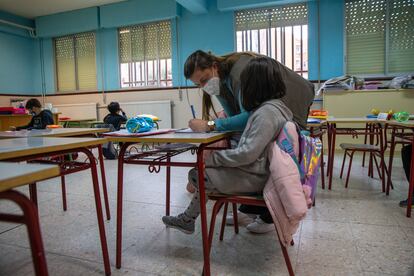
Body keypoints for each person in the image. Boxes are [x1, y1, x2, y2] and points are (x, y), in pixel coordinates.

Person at [183, 50, 315, 233]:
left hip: (259, 171)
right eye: (199, 84)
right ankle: (250, 208)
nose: (203, 86)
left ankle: (268, 214)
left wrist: (211, 131)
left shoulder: (246, 78)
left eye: (204, 80)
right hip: (257, 164)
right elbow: (236, 117)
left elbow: (248, 129)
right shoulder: (224, 80)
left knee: (202, 174)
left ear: (214, 67)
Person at [162, 56, 293, 234]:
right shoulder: (275, 108)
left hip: (257, 176)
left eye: (245, 84)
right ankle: (187, 219)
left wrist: (214, 159)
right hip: (261, 172)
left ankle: (187, 219)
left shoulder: (266, 114)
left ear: (255, 86)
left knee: (198, 175)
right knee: (201, 174)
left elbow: (247, 154)